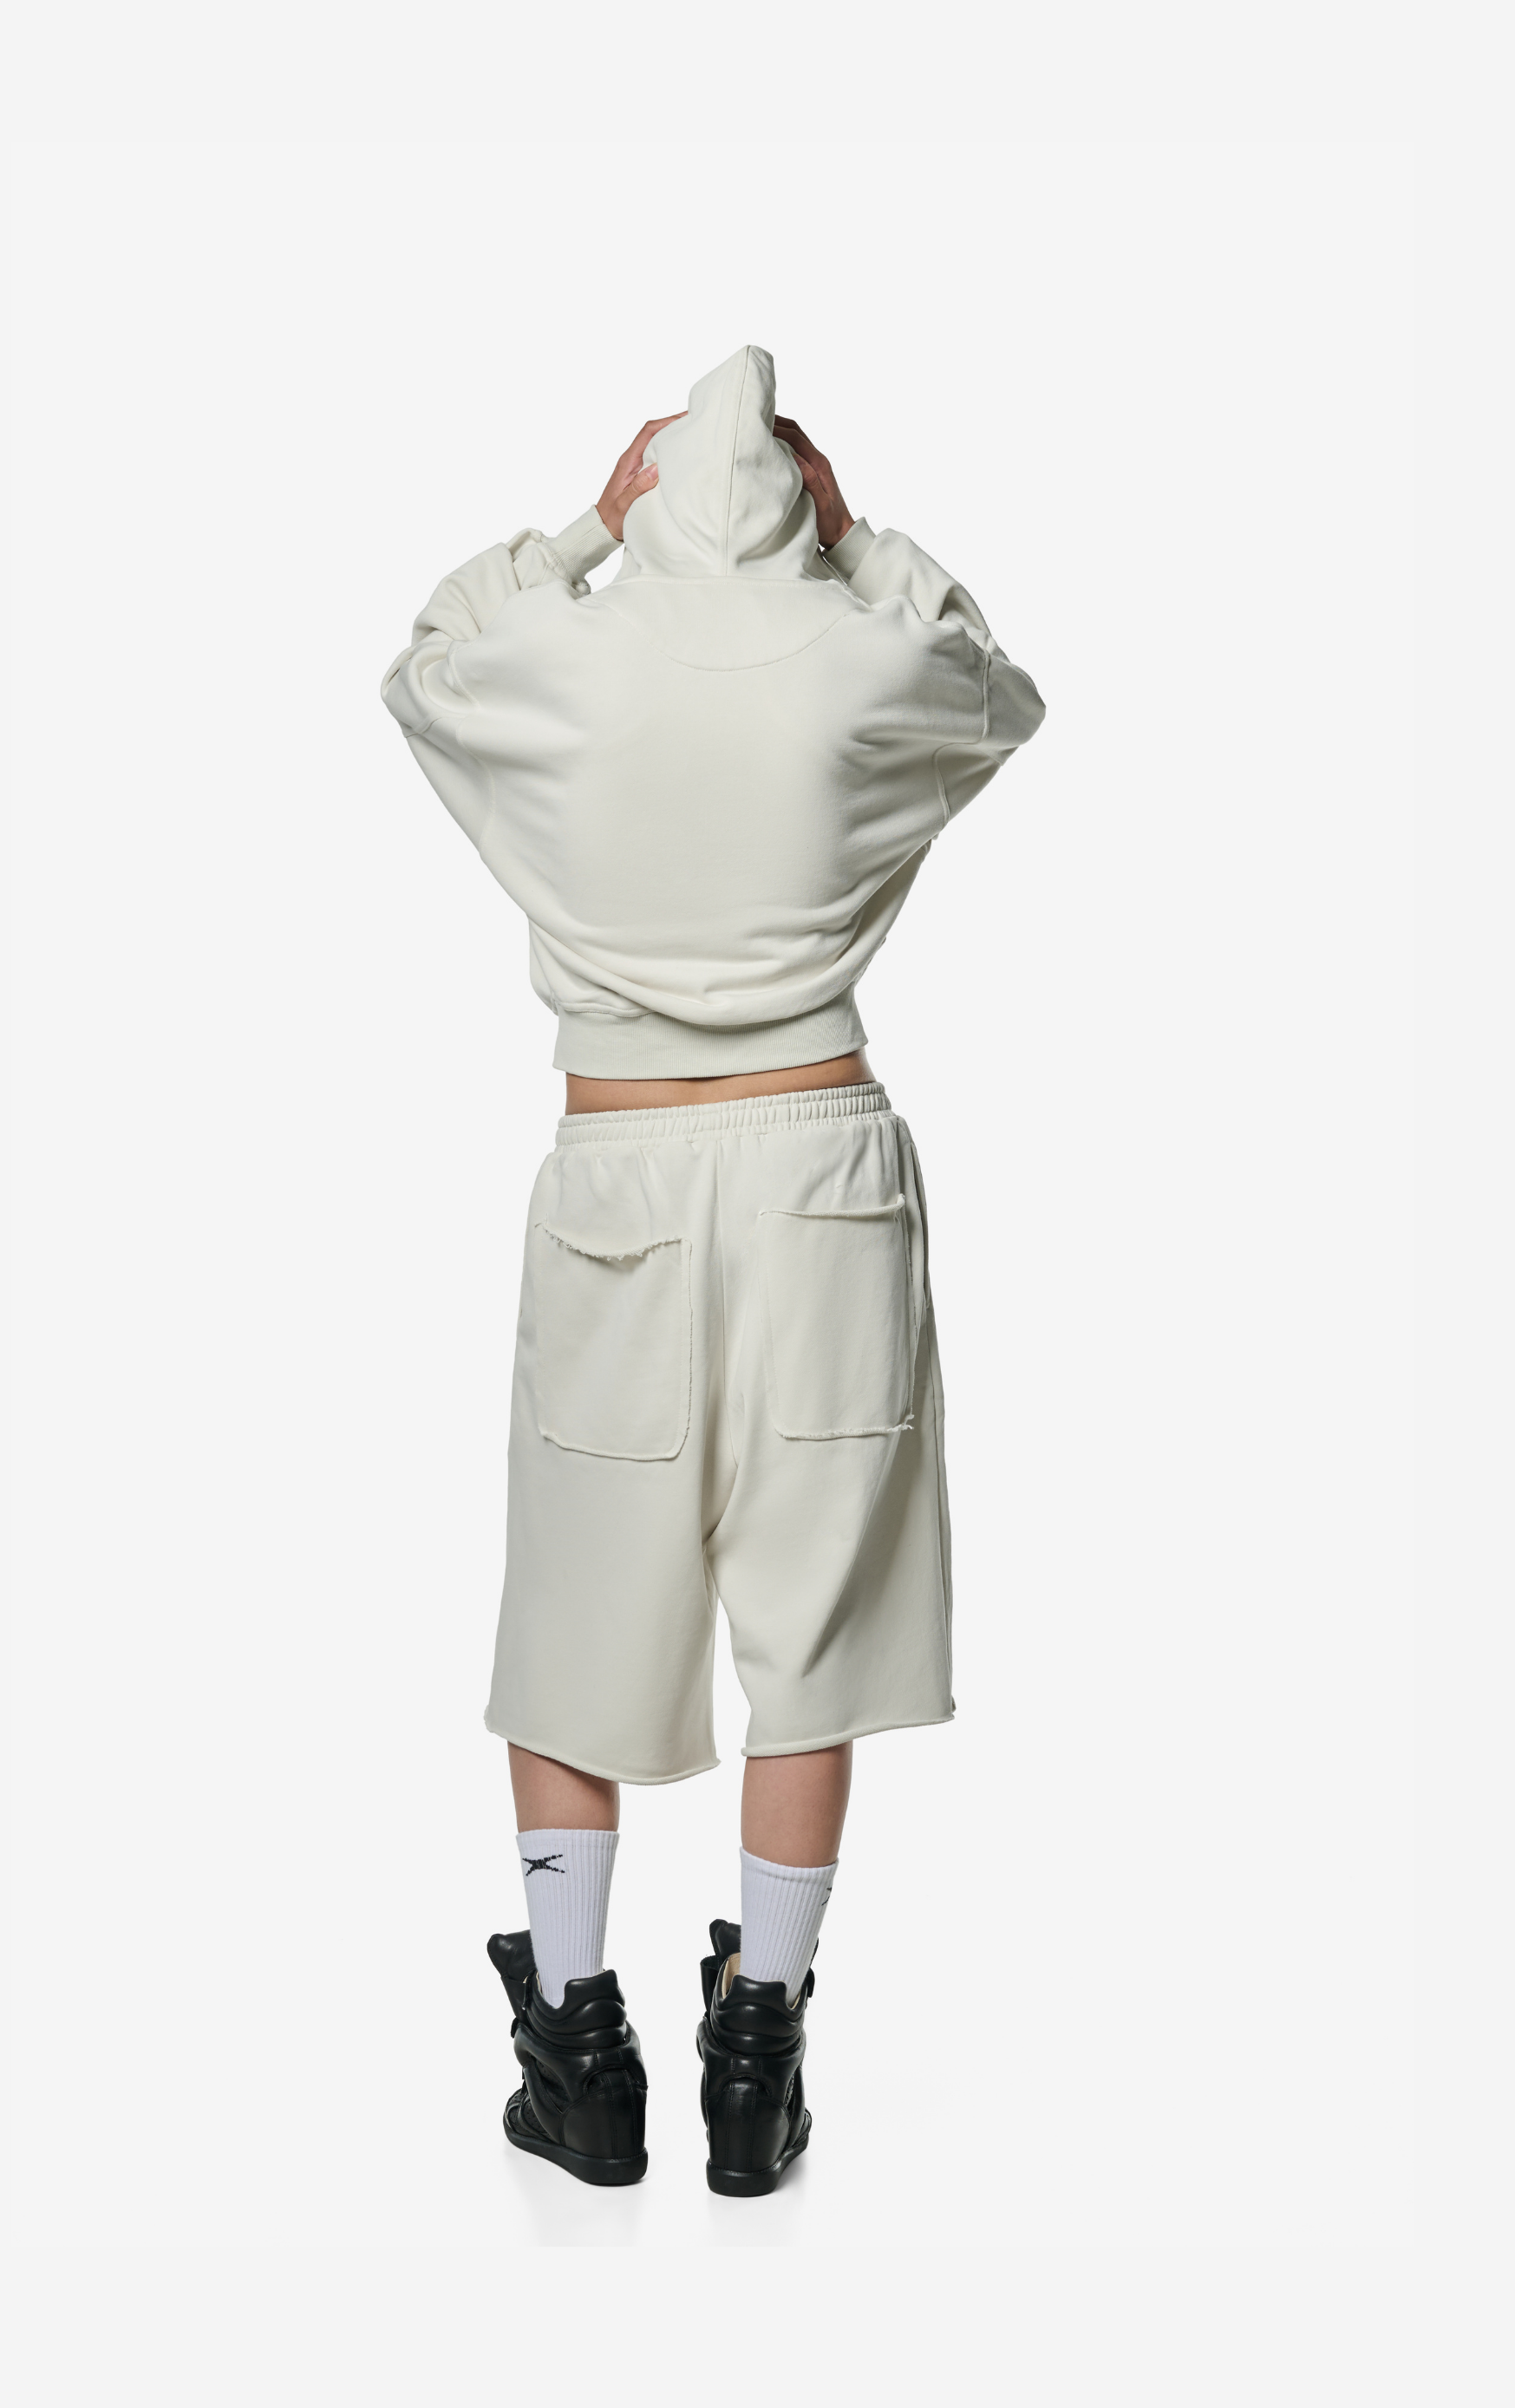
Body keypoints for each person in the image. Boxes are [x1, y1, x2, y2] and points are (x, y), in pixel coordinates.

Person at [381, 345, 1044, 2195]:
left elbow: (425, 663)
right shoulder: (856, 658)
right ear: (794, 502)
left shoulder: (569, 657)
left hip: (621, 1164)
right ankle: (759, 2059)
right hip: (823, 1155)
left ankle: (579, 2058)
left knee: (576, 1607)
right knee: (815, 1619)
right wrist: (862, 536)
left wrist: (583, 529)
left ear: (658, 495)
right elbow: (994, 690)